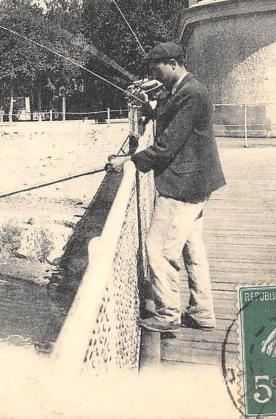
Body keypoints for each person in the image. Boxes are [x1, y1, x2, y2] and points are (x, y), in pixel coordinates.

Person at [107, 42, 225, 333]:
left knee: (158, 250)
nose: (154, 75)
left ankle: (168, 314)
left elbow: (166, 146)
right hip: (195, 183)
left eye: (156, 68)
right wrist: (150, 108)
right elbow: (170, 115)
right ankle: (202, 312)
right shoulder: (185, 89)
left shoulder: (192, 94)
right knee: (192, 249)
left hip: (183, 186)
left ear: (172, 63)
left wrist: (128, 160)